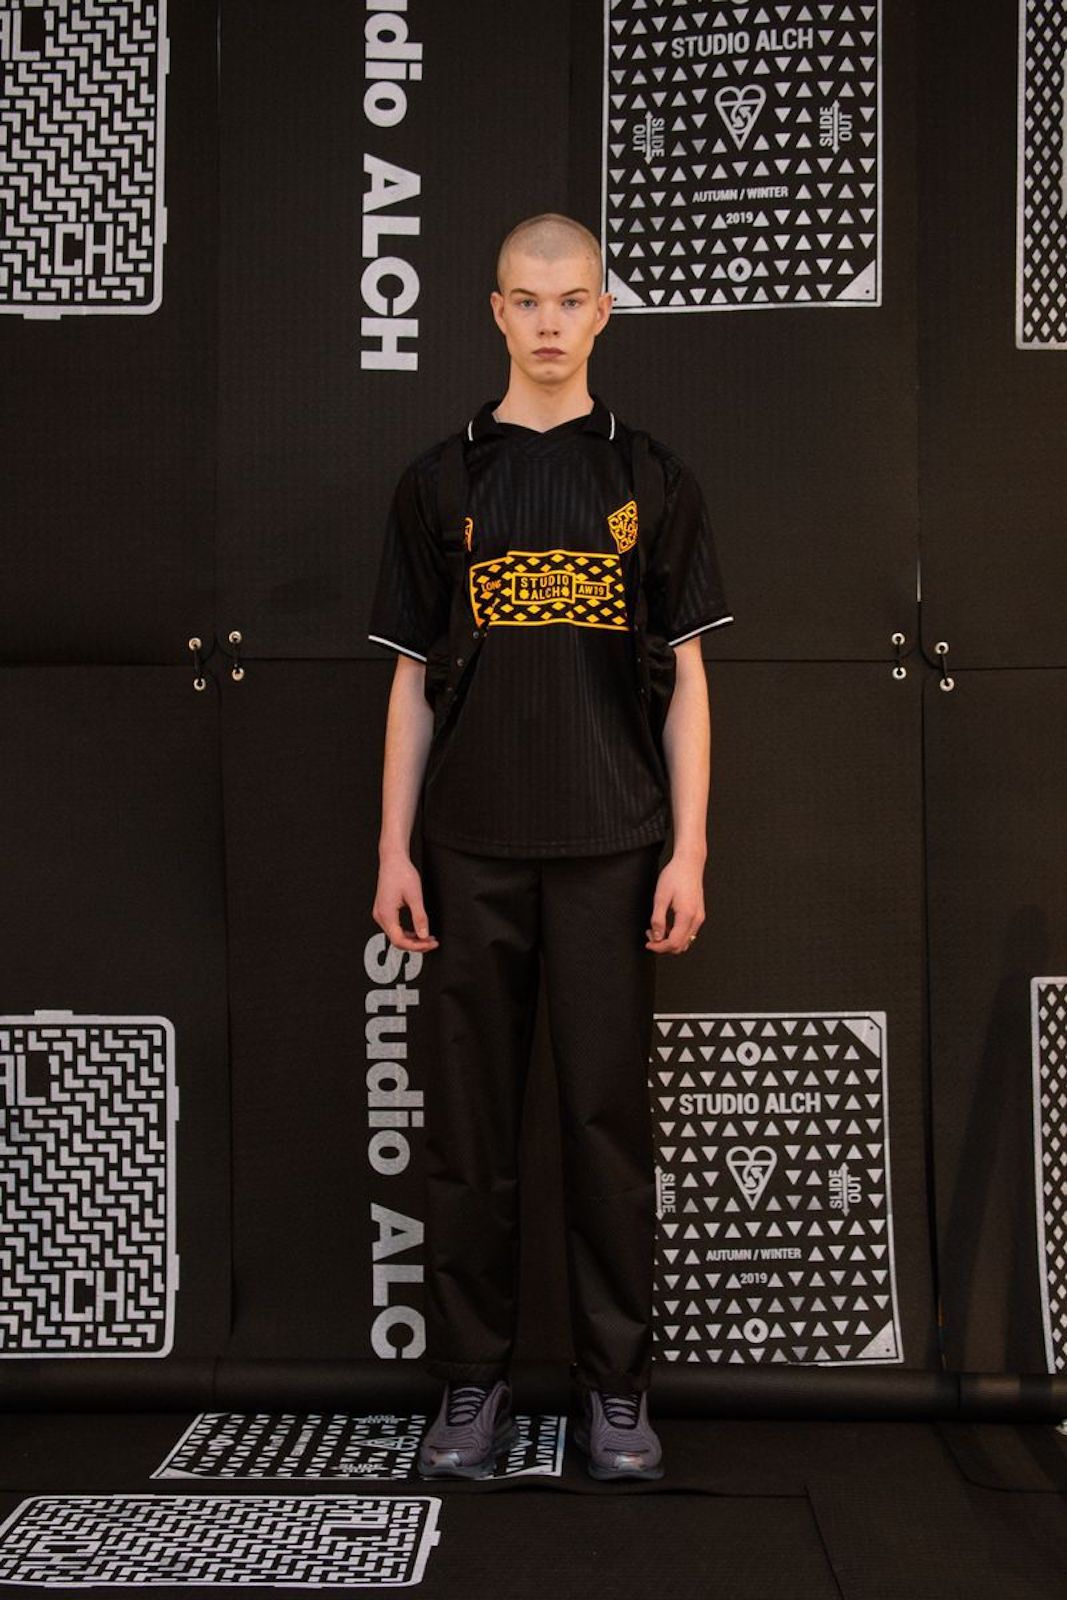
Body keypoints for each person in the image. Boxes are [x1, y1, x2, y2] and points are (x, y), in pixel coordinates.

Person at [367, 213, 733, 1481]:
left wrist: (688, 850)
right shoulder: (439, 482)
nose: (547, 322)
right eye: (525, 300)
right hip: (467, 848)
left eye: (569, 299)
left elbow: (687, 682)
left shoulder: (650, 478)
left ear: (601, 313)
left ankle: (614, 1391)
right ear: (493, 311)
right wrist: (392, 849)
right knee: (468, 1135)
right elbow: (410, 683)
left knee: (602, 1129)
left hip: (611, 846)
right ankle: (469, 1385)